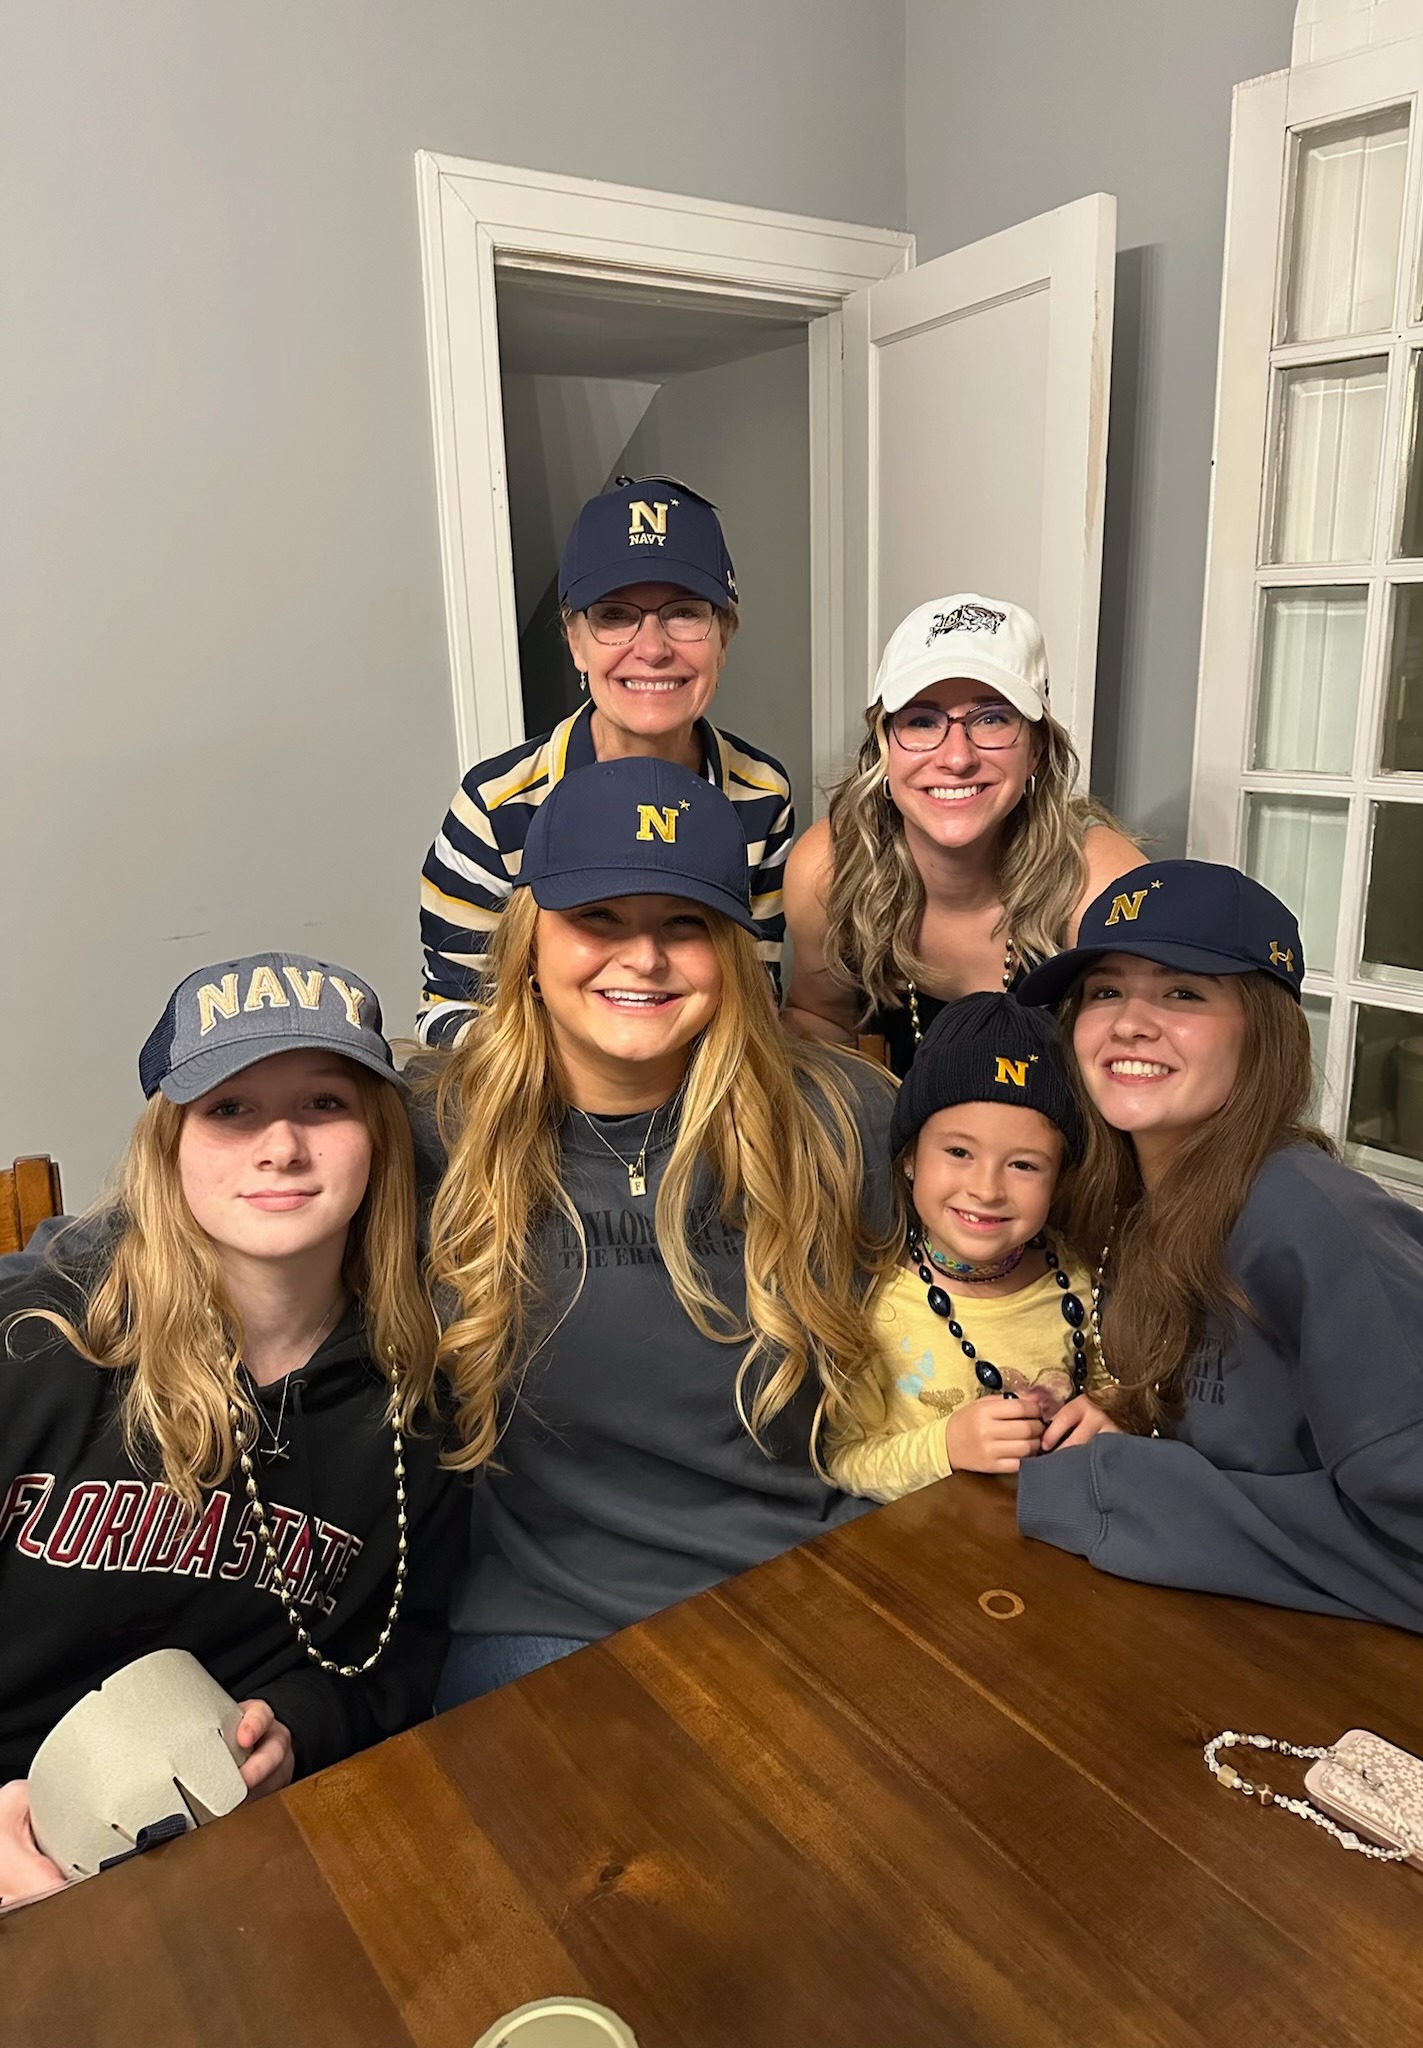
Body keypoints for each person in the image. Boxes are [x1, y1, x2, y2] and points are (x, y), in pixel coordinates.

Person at [420, 755, 900, 1708]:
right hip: (547, 1622)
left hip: (810, 1586)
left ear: (733, 951)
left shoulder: (843, 1118)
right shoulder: (435, 1131)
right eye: (599, 918)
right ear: (529, 941)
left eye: (684, 924)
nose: (642, 958)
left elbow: (995, 1290)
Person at [0, 955, 468, 1907]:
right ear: (169, 1146)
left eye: (325, 1104)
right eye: (231, 1110)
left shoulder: (417, 1406)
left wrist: (294, 1729)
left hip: (242, 1859)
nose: (282, 1147)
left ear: (378, 1140)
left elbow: (397, 1662)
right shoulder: (36, 1347)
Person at [1009, 861, 1423, 1647]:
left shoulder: (1315, 1222)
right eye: (1105, 991)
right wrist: (1131, 1421)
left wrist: (1127, 1488)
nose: (1129, 1023)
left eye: (1183, 993)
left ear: (1262, 1032)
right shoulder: (1141, 1200)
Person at [418, 476, 793, 1047]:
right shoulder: (495, 808)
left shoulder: (761, 795)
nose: (653, 649)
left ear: (724, 638)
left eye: (685, 613)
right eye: (615, 615)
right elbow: (449, 1015)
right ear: (576, 642)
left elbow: (754, 996)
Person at [783, 592, 1141, 1074]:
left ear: (1035, 749)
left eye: (991, 719)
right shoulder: (830, 866)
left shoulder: (1099, 884)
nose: (957, 758)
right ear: (884, 748)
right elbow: (819, 1020)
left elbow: (1141, 1070)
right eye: (922, 721)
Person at [824, 994, 1100, 1503]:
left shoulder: (1084, 1280)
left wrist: (1112, 1412)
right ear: (910, 1157)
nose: (986, 1189)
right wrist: (947, 1447)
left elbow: (1121, 1392)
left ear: (1059, 1179)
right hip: (935, 1541)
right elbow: (846, 1459)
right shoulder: (875, 1308)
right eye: (958, 1152)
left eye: (1023, 1165)